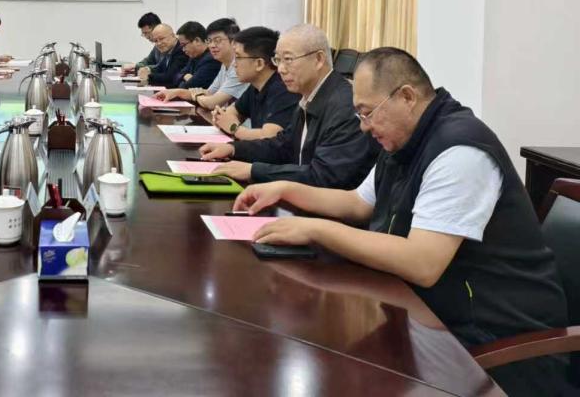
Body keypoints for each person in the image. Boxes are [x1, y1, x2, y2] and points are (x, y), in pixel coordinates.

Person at [235, 48, 567, 396]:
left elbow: (423, 263)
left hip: (496, 344)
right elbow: (358, 203)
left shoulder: (460, 151)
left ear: (407, 97)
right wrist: (285, 189)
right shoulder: (405, 139)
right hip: (431, 321)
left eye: (367, 112)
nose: (363, 126)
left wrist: (316, 229)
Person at [205, 24, 376, 188]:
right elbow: (283, 146)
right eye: (278, 60)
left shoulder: (345, 106)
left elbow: (324, 176)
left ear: (318, 59)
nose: (280, 69)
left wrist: (253, 171)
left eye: (288, 59)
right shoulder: (309, 97)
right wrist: (233, 149)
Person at [199, 26, 299, 154]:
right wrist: (222, 118)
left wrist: (235, 129)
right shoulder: (255, 86)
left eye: (238, 57)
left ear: (259, 64)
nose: (234, 64)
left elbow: (269, 138)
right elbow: (230, 113)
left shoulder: (283, 89)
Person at [155, 18, 245, 107]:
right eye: (209, 41)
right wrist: (176, 92)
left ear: (234, 42)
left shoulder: (239, 67)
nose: (212, 45)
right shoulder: (224, 65)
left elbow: (212, 102)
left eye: (217, 40)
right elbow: (209, 92)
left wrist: (195, 95)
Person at [169, 21, 219, 89]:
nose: (183, 50)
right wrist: (184, 76)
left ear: (197, 40)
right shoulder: (193, 56)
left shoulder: (211, 59)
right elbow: (175, 77)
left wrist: (183, 78)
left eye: (184, 45)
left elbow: (189, 86)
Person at [138, 24, 187, 88]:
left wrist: (148, 76)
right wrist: (147, 70)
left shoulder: (181, 50)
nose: (159, 43)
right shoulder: (168, 50)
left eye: (161, 39)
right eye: (155, 41)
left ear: (173, 36)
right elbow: (160, 68)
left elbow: (169, 77)